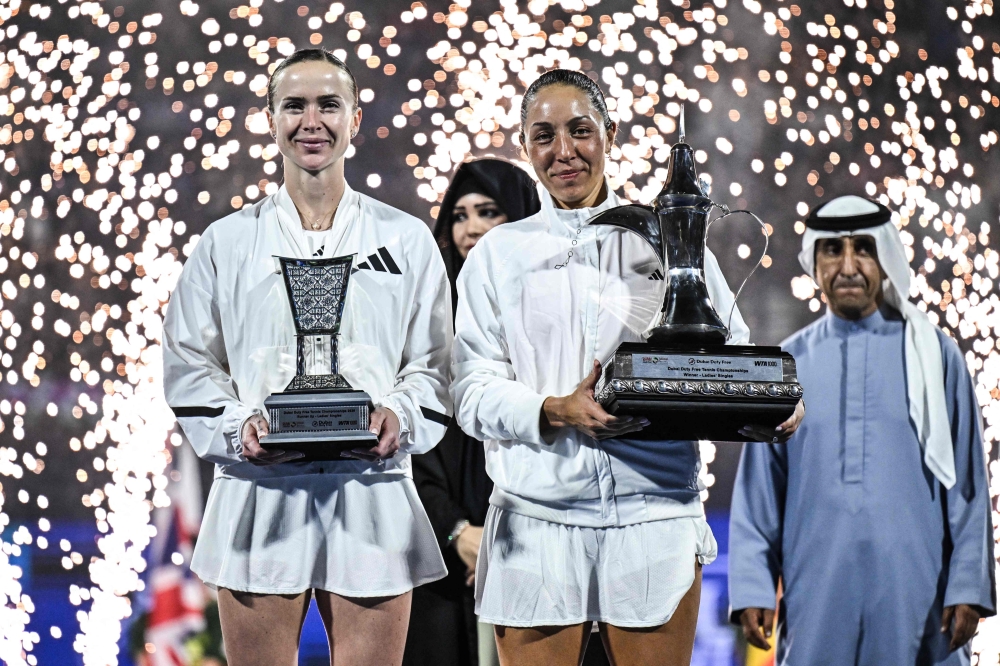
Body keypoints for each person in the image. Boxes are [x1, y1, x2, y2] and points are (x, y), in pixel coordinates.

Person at [450, 69, 803, 666]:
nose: (564, 152)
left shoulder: (670, 240)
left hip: (655, 514)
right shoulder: (497, 256)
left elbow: (730, 354)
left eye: (580, 131)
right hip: (536, 519)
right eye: (544, 135)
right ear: (525, 145)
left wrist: (770, 402)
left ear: (610, 134)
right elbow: (469, 389)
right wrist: (552, 409)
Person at [162, 49, 453, 666]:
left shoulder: (404, 237)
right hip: (260, 487)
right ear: (270, 119)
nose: (311, 121)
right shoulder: (227, 241)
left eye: (328, 104)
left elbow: (435, 365)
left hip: (370, 485)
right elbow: (189, 362)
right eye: (294, 105)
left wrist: (400, 414)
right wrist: (238, 428)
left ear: (354, 116)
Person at [728, 195, 996, 665]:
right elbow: (758, 493)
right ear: (815, 260)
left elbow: (970, 487)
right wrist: (752, 586)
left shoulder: (935, 355)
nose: (848, 265)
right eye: (833, 250)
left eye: (863, 249)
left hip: (919, 599)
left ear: (886, 257)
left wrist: (968, 586)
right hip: (817, 597)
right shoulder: (787, 366)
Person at [403, 158, 540, 666]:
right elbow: (411, 444)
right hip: (443, 562)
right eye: (459, 216)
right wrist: (459, 533)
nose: (472, 228)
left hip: (541, 540)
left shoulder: (557, 313)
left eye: (488, 211)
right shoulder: (429, 317)